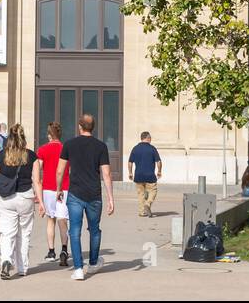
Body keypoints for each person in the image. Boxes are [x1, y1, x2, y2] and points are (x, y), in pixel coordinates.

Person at [55, 113, 114, 281]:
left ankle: (79, 268)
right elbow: (107, 173)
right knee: (94, 230)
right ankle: (93, 263)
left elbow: (60, 170)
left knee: (74, 230)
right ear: (93, 127)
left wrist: (59, 189)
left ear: (79, 126)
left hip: (75, 193)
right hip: (94, 194)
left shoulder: (69, 144)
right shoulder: (101, 146)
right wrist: (111, 198)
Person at [0, 123, 42, 280]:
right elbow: (37, 181)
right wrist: (41, 202)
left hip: (6, 197)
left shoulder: (1, 155)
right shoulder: (31, 156)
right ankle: (22, 268)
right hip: (25, 196)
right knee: (24, 233)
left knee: (7, 232)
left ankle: (6, 260)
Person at [35, 122, 70, 265]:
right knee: (63, 220)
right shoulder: (66, 149)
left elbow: (39, 169)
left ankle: (51, 251)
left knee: (51, 220)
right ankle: (64, 249)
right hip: (64, 188)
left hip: (48, 188)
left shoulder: (43, 149)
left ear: (49, 135)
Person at [127, 131, 162, 217]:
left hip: (138, 175)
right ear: (148, 138)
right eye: (150, 138)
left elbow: (130, 162)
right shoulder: (152, 148)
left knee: (141, 194)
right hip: (150, 175)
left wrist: (130, 173)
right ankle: (148, 204)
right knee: (153, 191)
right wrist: (159, 171)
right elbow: (159, 161)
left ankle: (142, 212)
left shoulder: (135, 148)